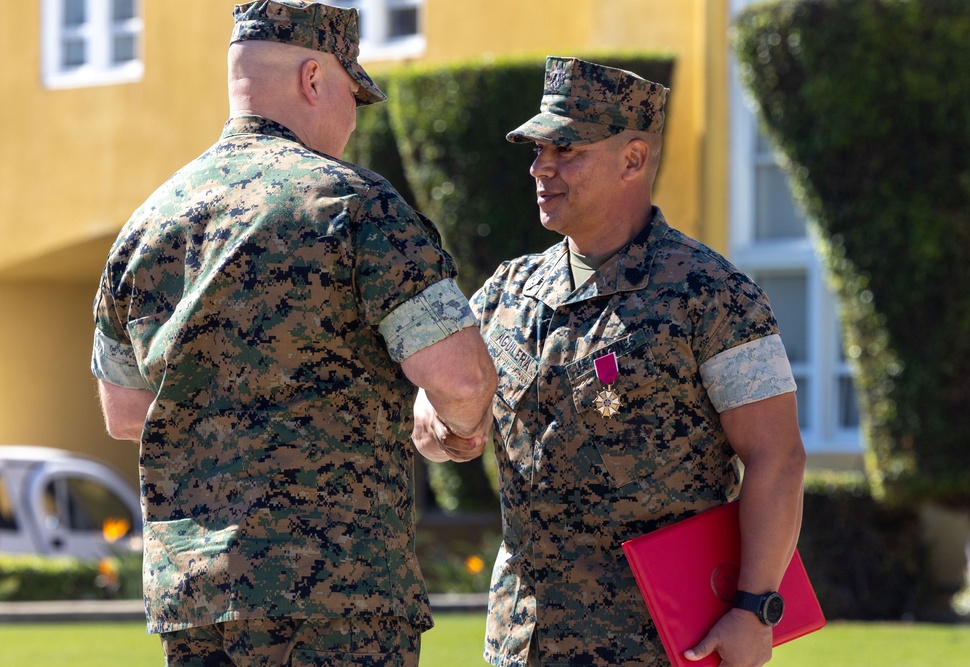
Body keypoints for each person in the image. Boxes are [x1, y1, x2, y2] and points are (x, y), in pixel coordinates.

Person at [90, 2, 495, 665]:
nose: (354, 116)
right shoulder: (355, 205)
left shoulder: (146, 227)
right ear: (314, 79)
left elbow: (125, 413)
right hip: (338, 601)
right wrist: (451, 426)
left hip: (199, 606)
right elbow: (461, 377)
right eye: (352, 93)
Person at [413, 56, 807, 667]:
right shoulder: (508, 291)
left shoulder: (712, 294)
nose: (542, 167)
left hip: (657, 640)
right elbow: (431, 401)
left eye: (566, 149)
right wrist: (443, 429)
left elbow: (776, 456)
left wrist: (755, 609)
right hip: (523, 638)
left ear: (633, 159)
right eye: (537, 150)